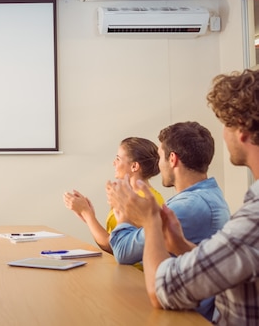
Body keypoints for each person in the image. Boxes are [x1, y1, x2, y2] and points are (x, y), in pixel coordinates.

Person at [107, 68, 259, 324]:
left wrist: (150, 220)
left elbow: (162, 289)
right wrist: (180, 245)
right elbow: (231, 266)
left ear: (241, 130)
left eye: (226, 124)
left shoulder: (250, 217)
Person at [108, 121, 231, 321]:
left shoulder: (189, 206)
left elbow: (123, 252)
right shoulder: (206, 195)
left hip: (185, 317)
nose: (158, 165)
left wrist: (123, 215)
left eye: (160, 156)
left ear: (172, 159)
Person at [63, 137, 164, 254]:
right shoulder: (129, 196)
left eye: (118, 159)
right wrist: (87, 215)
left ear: (134, 166)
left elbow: (112, 246)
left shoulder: (141, 200)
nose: (114, 163)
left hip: (135, 271)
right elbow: (111, 240)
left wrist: (87, 213)